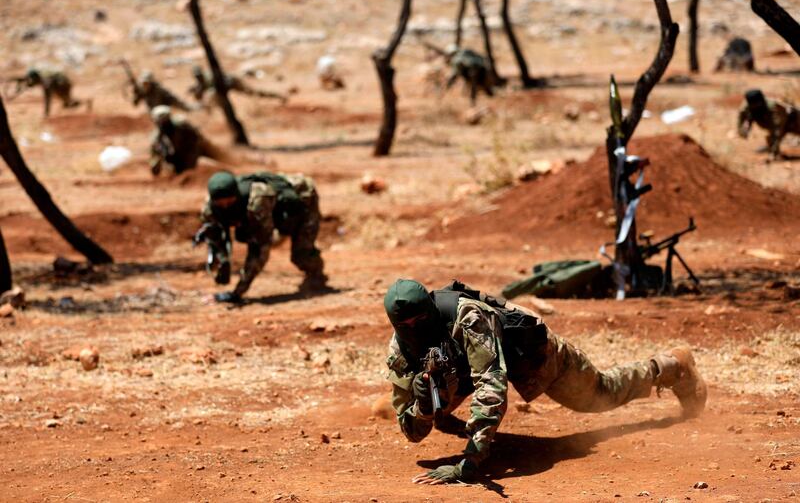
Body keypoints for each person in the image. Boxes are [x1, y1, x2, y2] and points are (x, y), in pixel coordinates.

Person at [384, 279, 707, 484]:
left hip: (529, 352)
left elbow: (492, 386)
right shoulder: (400, 350)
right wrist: (425, 406)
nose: (415, 328)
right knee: (430, 404)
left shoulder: (467, 317)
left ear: (431, 309)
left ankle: (671, 367)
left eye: (422, 320)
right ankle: (442, 406)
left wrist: (471, 460)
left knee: (599, 394)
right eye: (406, 324)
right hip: (466, 368)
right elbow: (411, 431)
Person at [198, 171, 327, 303]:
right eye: (220, 203)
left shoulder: (257, 202)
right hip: (274, 208)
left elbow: (260, 249)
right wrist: (222, 260)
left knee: (301, 255)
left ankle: (317, 277)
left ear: (236, 195)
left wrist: (237, 293)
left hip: (304, 199)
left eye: (229, 201)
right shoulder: (209, 209)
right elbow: (214, 236)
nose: (225, 206)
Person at [148, 105, 222, 176]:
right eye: (160, 121)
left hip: (193, 151)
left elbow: (196, 137)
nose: (163, 124)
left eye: (165, 120)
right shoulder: (157, 139)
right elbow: (154, 156)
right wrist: (155, 164)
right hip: (178, 159)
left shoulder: (182, 125)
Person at [737, 89, 800, 160]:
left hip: (792, 120)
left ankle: (773, 150)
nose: (755, 106)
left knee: (775, 137)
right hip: (776, 123)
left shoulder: (773, 107)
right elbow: (741, 120)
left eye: (757, 104)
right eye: (753, 105)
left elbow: (777, 130)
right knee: (772, 138)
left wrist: (773, 153)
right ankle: (771, 149)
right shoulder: (746, 108)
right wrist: (743, 130)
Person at [188, 65, 286, 108]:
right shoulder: (202, 82)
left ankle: (278, 96)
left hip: (234, 82)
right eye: (196, 76)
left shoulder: (209, 77)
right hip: (226, 87)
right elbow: (200, 89)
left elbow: (210, 88)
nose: (198, 77)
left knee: (253, 92)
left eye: (199, 75)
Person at [14, 68, 86, 117]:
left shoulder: (46, 82)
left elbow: (47, 99)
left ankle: (82, 103)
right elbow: (31, 83)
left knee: (67, 100)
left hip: (63, 85)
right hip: (62, 84)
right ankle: (77, 103)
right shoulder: (43, 79)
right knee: (67, 101)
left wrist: (46, 113)